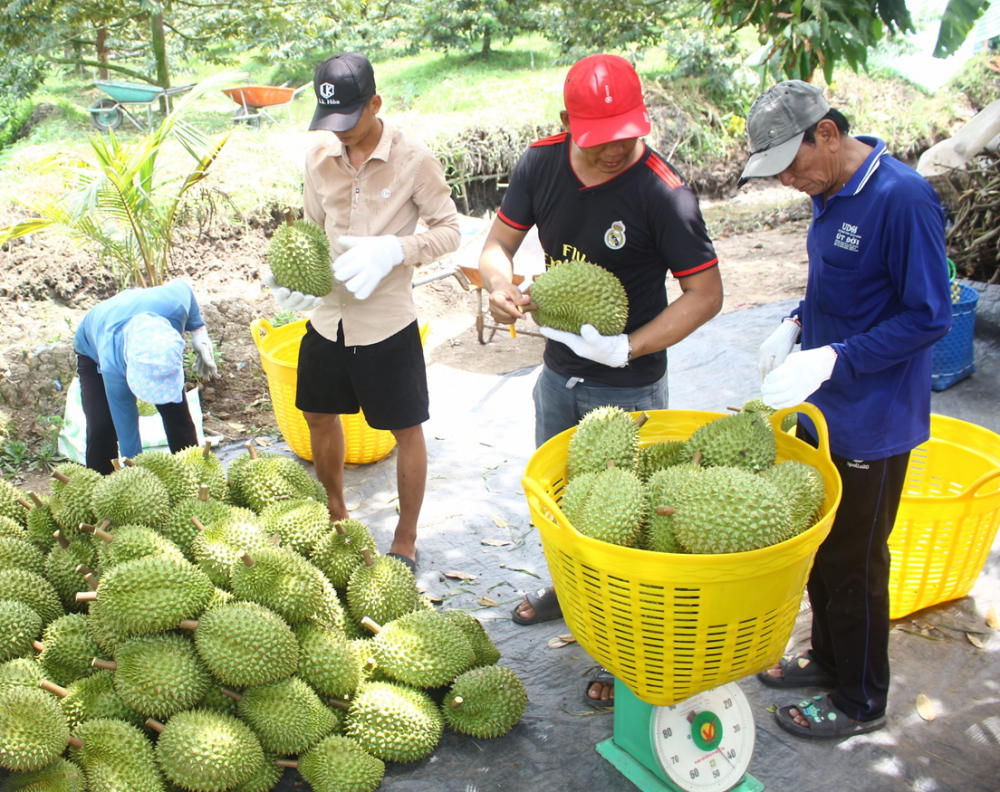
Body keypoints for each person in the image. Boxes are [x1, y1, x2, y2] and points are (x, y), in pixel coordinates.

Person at [478, 53, 724, 704]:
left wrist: (630, 347)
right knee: (559, 504)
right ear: (567, 123)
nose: (619, 149)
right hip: (559, 372)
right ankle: (567, 591)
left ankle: (627, 650)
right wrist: (500, 287)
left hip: (631, 385)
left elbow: (705, 294)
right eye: (603, 138)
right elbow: (495, 247)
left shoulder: (662, 193)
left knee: (627, 526)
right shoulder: (540, 163)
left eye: (629, 134)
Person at [741, 81, 952, 739]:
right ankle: (828, 658)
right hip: (823, 410)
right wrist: (798, 325)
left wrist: (837, 359)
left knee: (857, 562)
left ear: (826, 134)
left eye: (792, 165)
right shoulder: (827, 195)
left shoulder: (901, 198)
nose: (789, 182)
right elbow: (841, 288)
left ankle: (861, 699)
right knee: (823, 548)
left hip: (875, 416)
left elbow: (929, 315)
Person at [264, 52, 460, 570]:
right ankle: (336, 512)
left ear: (375, 103)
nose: (341, 133)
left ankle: (406, 537)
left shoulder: (414, 159)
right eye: (332, 122)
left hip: (386, 322)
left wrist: (397, 250)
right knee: (317, 415)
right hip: (327, 316)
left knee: (406, 429)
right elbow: (307, 227)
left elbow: (449, 230)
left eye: (351, 119)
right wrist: (290, 279)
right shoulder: (317, 159)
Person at [74, 279, 217, 475]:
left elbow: (186, 290)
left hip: (142, 319)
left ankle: (195, 474)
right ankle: (100, 485)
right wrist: (136, 473)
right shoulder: (112, 363)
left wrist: (198, 331)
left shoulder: (174, 304)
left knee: (178, 415)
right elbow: (127, 430)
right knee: (102, 426)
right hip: (93, 344)